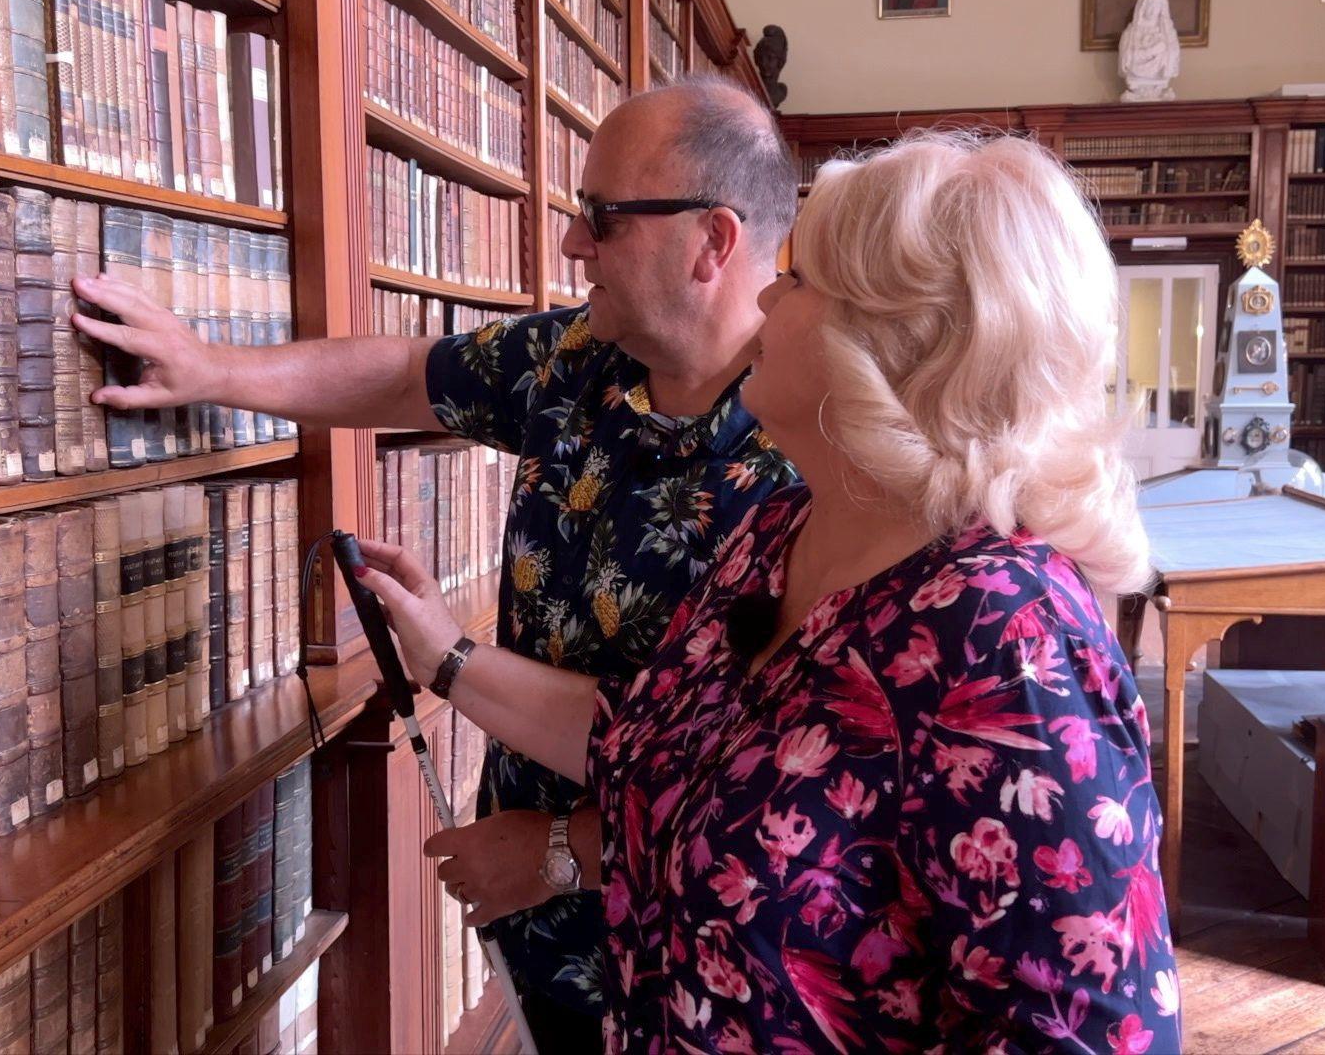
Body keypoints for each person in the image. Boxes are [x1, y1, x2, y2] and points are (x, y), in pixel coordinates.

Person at [354, 131, 1181, 1051]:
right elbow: (641, 751)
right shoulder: (773, 539)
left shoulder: (1004, 637)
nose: (765, 296)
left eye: (797, 278)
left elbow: (1088, 1034)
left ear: (898, 339)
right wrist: (447, 656)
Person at [70, 76, 798, 1049]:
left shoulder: (809, 450)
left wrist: (548, 840)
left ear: (712, 241)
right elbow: (414, 375)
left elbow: (751, 766)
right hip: (536, 936)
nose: (575, 245)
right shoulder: (584, 357)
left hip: (690, 962)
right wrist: (215, 371)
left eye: (601, 218)